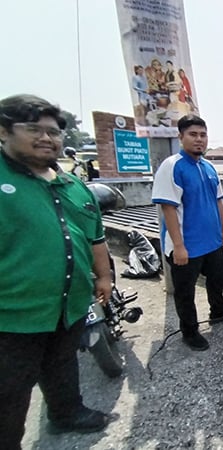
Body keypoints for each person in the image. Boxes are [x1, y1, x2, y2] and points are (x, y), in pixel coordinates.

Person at [0, 94, 112, 448]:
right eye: (33, 129)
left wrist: (104, 276)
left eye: (53, 131)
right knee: (10, 392)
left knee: (62, 364)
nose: (47, 138)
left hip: (70, 305)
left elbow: (96, 237)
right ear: (4, 131)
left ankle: (66, 414)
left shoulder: (74, 185)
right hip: (13, 317)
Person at [151, 114, 223, 351]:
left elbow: (218, 200)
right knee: (185, 292)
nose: (199, 140)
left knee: (216, 280)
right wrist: (179, 247)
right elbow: (168, 208)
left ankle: (218, 312)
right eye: (193, 134)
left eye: (203, 135)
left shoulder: (209, 166)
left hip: (212, 242)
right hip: (186, 246)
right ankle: (189, 331)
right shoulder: (172, 167)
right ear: (181, 137)